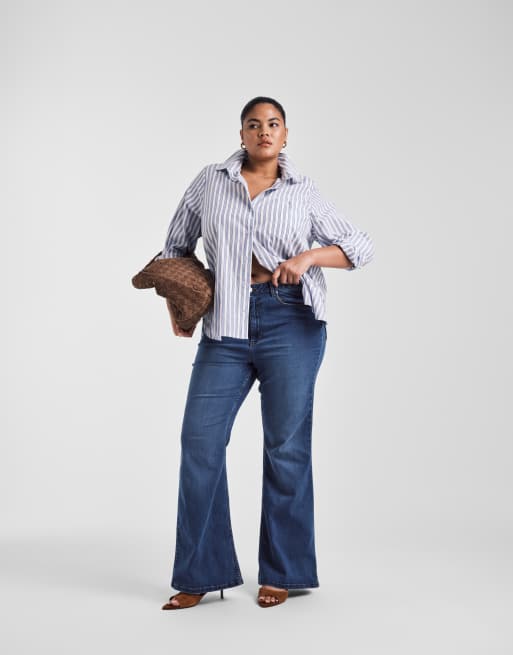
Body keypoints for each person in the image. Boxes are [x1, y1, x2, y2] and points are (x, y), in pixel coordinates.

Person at [159, 96, 374, 610]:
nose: (263, 131)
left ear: (285, 134)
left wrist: (308, 257)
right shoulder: (211, 182)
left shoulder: (303, 191)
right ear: (241, 134)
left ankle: (283, 570)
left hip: (290, 320)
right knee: (200, 441)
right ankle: (201, 572)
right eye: (253, 124)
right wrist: (181, 305)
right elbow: (175, 248)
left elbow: (360, 246)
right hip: (226, 325)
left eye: (273, 124)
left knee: (286, 446)